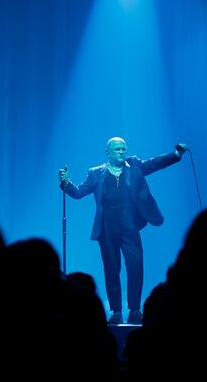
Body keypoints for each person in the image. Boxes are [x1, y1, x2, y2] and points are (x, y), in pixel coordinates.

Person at [58, 137, 187, 325]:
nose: (121, 152)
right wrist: (66, 184)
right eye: (117, 149)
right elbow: (78, 193)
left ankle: (135, 310)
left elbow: (155, 163)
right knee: (112, 270)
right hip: (107, 229)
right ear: (108, 152)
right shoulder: (95, 173)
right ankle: (116, 311)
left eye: (123, 148)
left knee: (135, 266)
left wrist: (176, 155)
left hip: (130, 227)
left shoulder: (134, 166)